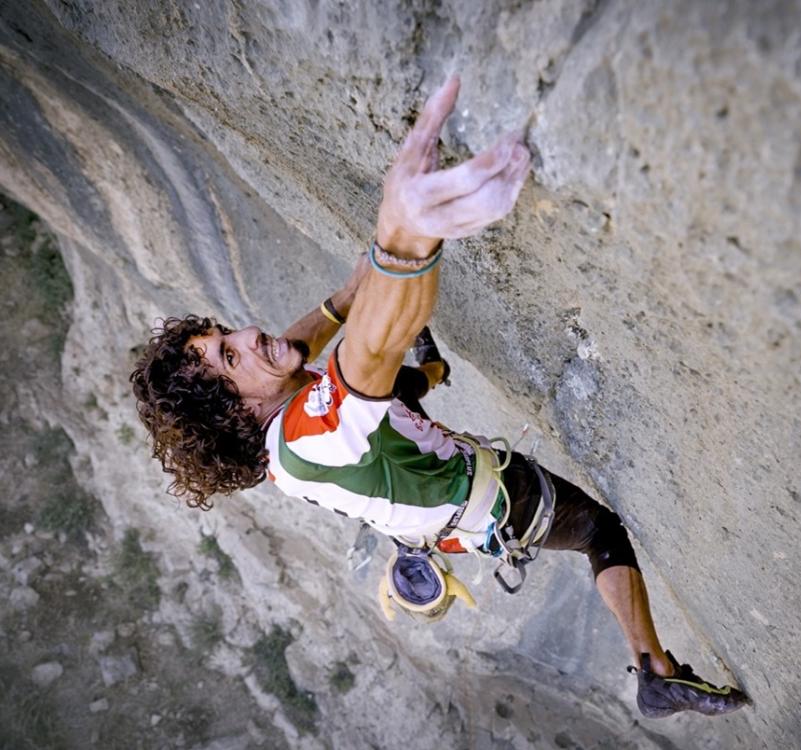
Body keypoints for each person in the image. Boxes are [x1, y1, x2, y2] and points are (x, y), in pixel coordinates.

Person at [130, 76, 748, 719]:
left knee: (394, 390)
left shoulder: (273, 396)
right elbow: (369, 345)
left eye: (226, 333)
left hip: (412, 486)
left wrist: (368, 268)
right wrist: (404, 240)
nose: (249, 335)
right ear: (236, 410)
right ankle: (654, 672)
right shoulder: (307, 436)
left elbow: (316, 326)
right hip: (494, 505)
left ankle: (433, 372)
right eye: (230, 354)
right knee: (600, 531)